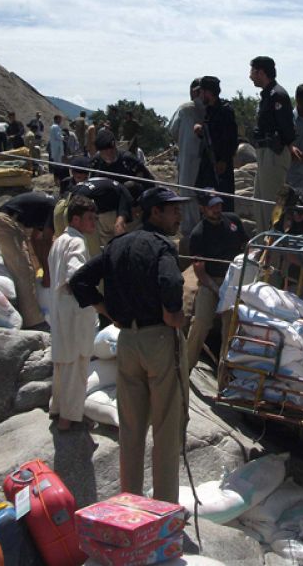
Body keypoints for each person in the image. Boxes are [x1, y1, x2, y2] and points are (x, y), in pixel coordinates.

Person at [70, 186, 191, 503]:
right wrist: (173, 312)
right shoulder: (163, 246)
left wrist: (106, 311)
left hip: (127, 341)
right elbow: (172, 281)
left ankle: (130, 503)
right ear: (155, 212)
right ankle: (164, 505)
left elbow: (79, 280)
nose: (179, 215)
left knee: (132, 428)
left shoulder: (117, 245)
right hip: (160, 339)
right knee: (165, 426)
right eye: (173, 209)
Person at [48, 196, 99, 431]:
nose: (95, 223)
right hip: (75, 310)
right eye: (90, 218)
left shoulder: (59, 241)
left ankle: (57, 408)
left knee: (63, 362)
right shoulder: (77, 242)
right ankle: (69, 419)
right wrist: (95, 300)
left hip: (59, 307)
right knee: (77, 364)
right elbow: (76, 277)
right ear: (76, 219)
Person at [185, 189, 249, 371]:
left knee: (230, 327)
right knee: (202, 323)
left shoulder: (233, 221)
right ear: (203, 209)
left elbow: (247, 245)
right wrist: (216, 289)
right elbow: (199, 270)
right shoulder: (198, 234)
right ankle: (186, 368)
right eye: (212, 207)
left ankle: (224, 376)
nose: (217, 209)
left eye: (219, 205)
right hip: (210, 281)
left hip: (234, 280)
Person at [0, 192, 55, 331]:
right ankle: (33, 322)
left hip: (14, 224)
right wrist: (47, 273)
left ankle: (28, 312)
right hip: (8, 224)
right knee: (24, 272)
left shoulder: (45, 208)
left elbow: (36, 239)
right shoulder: (53, 209)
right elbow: (46, 242)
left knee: (28, 268)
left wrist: (42, 268)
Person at [250, 56, 295, 231]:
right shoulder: (267, 95)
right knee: (259, 202)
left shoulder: (277, 95)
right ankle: (265, 245)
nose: (250, 76)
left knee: (272, 205)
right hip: (264, 153)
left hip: (274, 153)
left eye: (252, 72)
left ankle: (274, 250)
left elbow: (287, 129)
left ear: (261, 72)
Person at [194, 76, 238, 211]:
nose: (200, 95)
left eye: (201, 92)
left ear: (208, 92)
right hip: (208, 163)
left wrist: (223, 160)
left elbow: (230, 138)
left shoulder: (225, 111)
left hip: (220, 166)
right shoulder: (209, 110)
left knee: (223, 202)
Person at [168, 78, 205, 237]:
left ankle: (190, 232)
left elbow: (172, 130)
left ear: (194, 91)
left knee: (187, 193)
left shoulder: (184, 109)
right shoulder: (211, 108)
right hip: (205, 160)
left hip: (188, 158)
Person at [71, 176, 133, 246]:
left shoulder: (82, 190)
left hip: (112, 210)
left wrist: (121, 218)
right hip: (106, 213)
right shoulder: (121, 190)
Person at [90, 129, 155, 186]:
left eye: (112, 152)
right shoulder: (96, 162)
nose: (109, 155)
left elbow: (149, 182)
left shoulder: (129, 160)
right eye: (105, 153)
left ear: (115, 146)